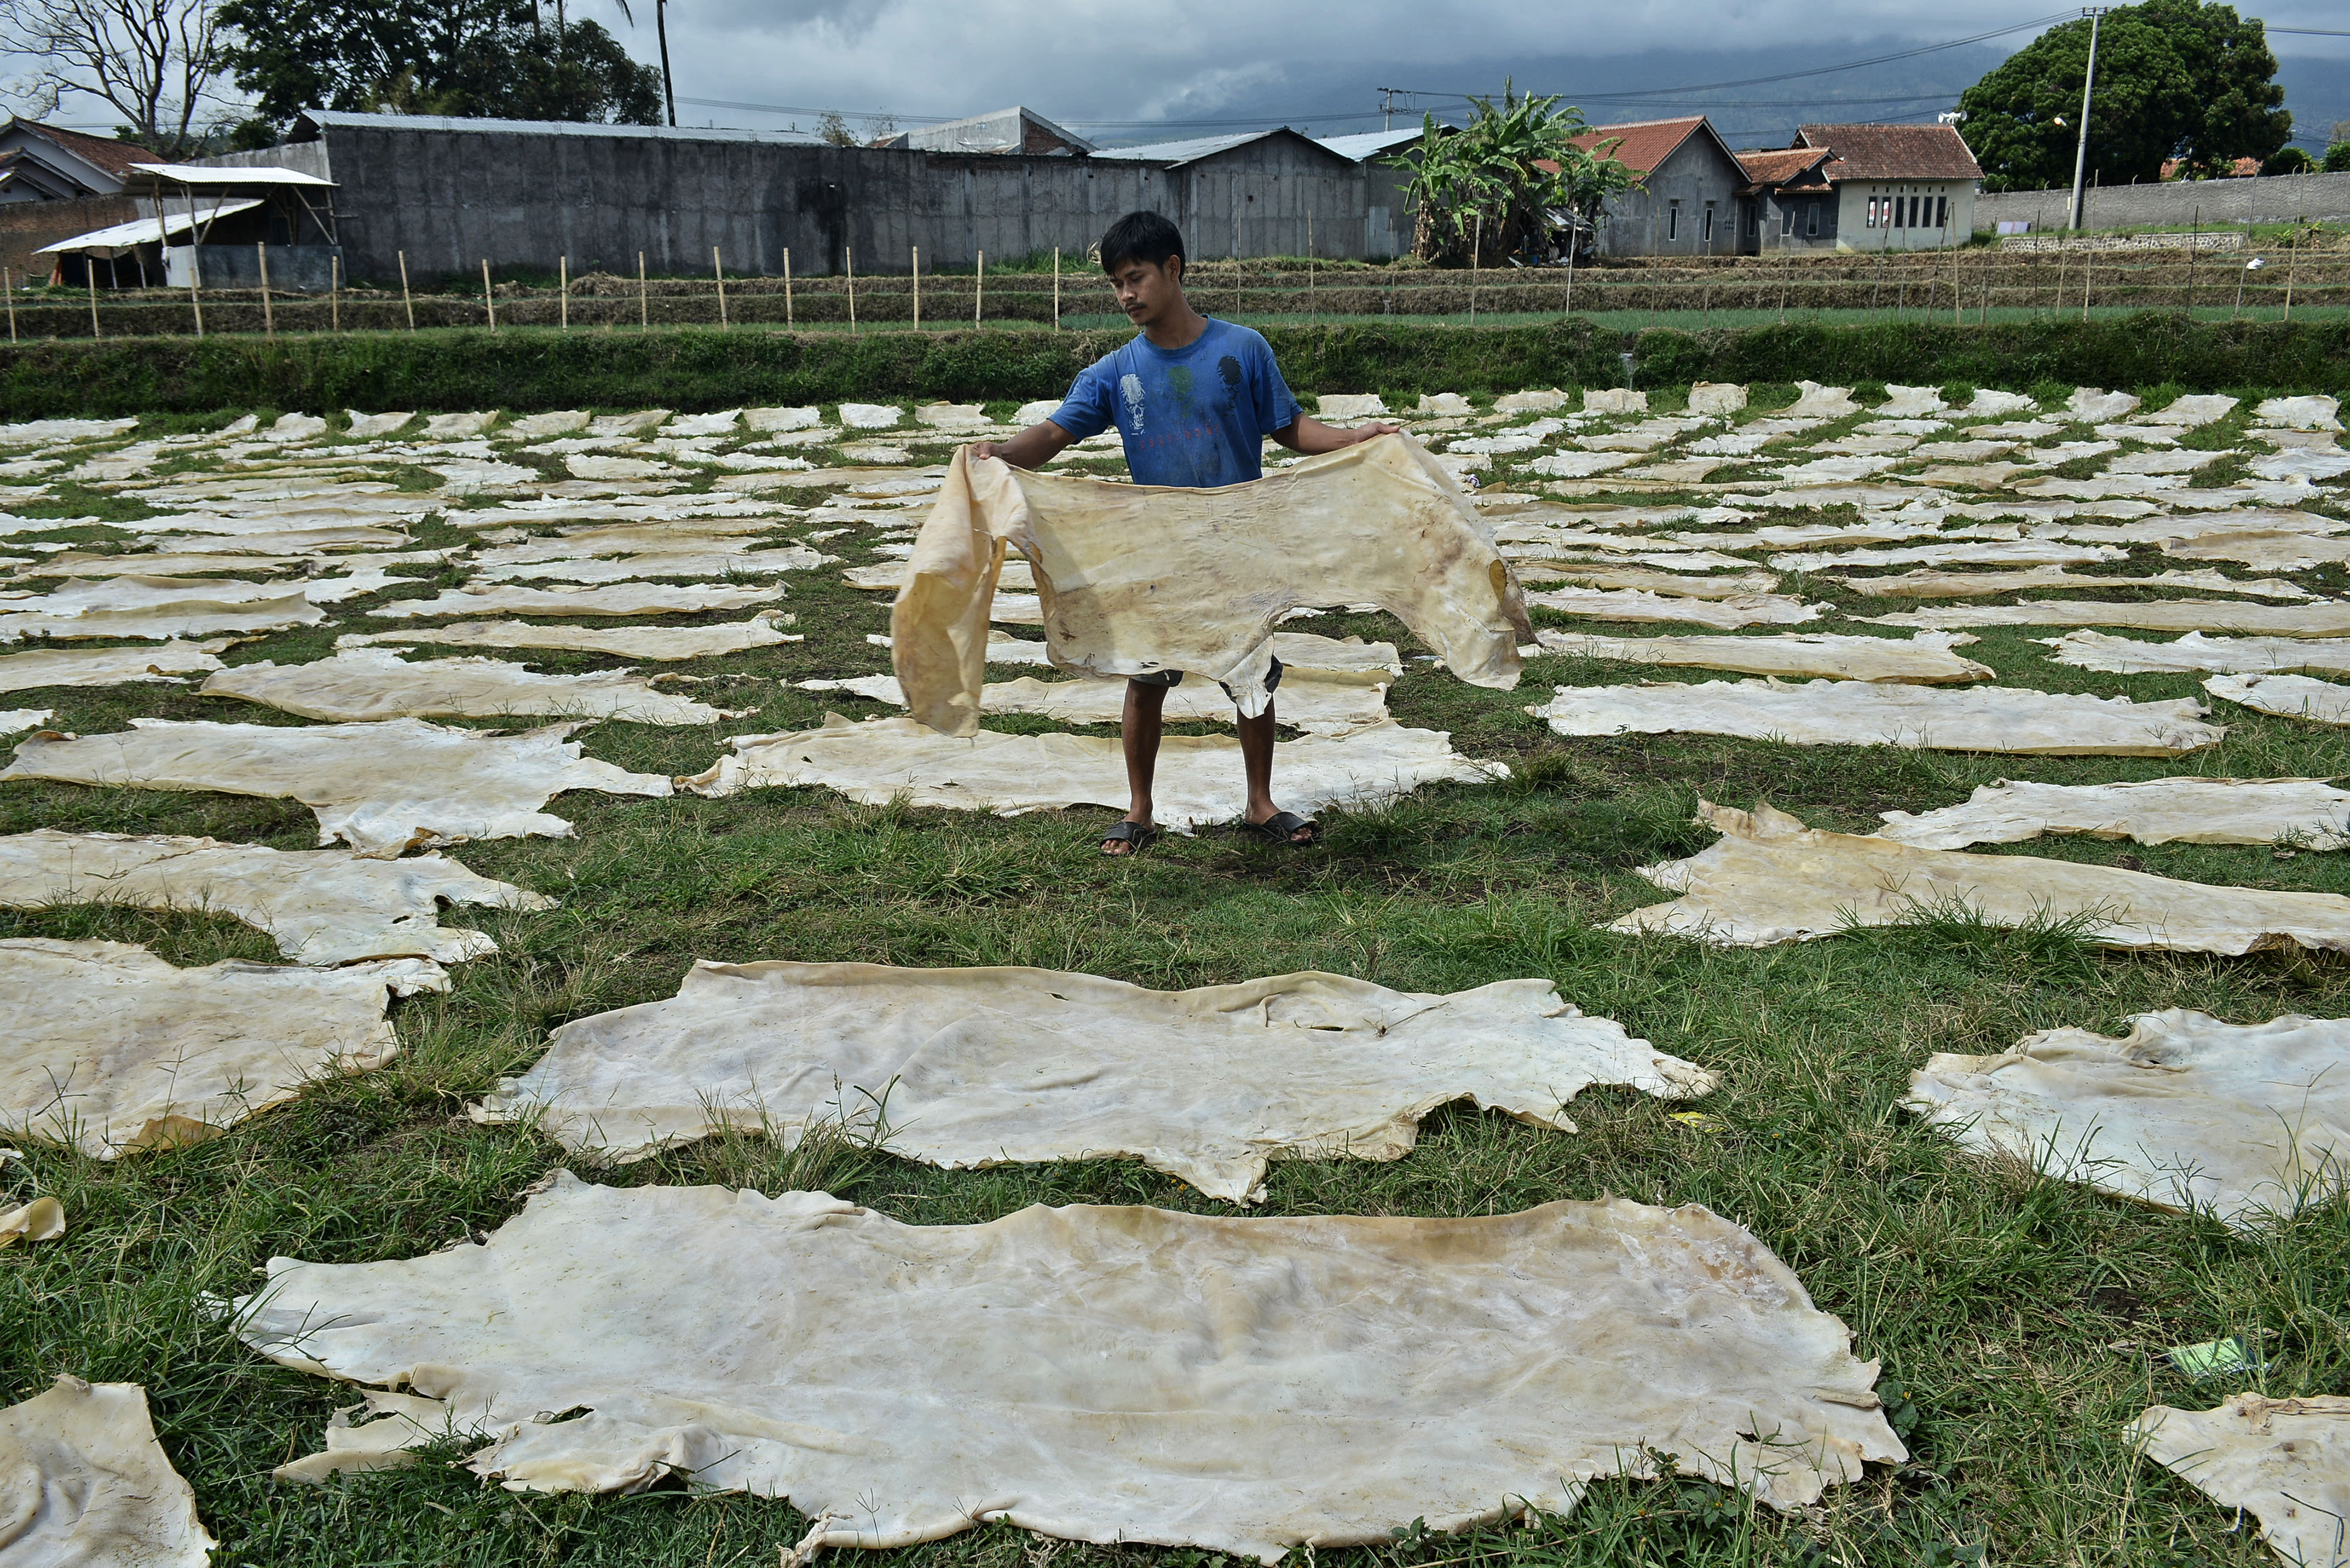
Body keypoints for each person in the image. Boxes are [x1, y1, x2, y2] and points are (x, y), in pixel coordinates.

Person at [970, 210, 1398, 857]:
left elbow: (1290, 428)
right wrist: (998, 453)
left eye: (1135, 277)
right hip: (1159, 546)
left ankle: (1261, 804)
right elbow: (1054, 434)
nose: (1125, 295)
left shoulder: (1242, 349)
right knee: (1146, 677)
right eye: (1115, 283)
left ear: (1173, 270)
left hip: (1237, 542)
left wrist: (1354, 438)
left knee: (1251, 674)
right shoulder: (1115, 372)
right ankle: (1139, 808)